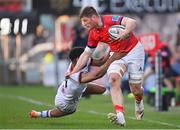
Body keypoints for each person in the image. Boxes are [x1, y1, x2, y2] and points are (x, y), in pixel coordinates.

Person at [67, 6, 145, 126]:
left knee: (136, 89)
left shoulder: (110, 20)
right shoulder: (93, 33)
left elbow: (132, 22)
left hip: (134, 52)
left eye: (85, 21)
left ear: (94, 17)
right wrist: (74, 71)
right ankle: (120, 115)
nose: (84, 25)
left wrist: (126, 32)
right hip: (116, 54)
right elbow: (86, 54)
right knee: (113, 79)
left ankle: (139, 101)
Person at [29, 47, 121, 118]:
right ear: (78, 59)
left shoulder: (80, 62)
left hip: (64, 90)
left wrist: (111, 48)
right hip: (65, 103)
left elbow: (101, 61)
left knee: (102, 90)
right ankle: (39, 114)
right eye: (85, 55)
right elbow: (98, 75)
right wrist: (113, 59)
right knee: (71, 110)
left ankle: (80, 92)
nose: (88, 56)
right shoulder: (76, 76)